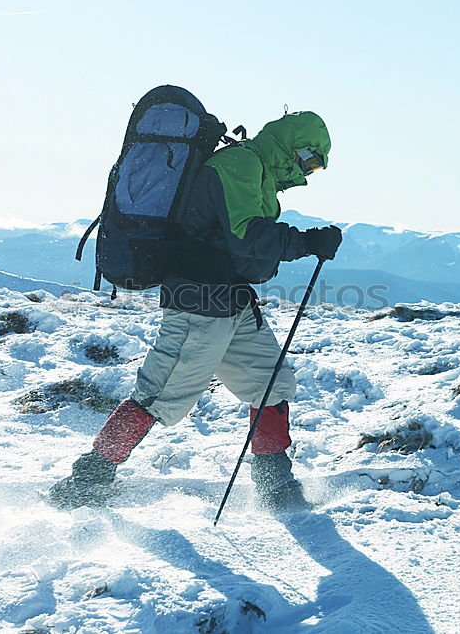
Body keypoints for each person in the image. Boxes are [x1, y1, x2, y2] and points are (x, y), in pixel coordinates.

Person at [49, 110, 342, 512]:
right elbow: (246, 235)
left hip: (232, 301)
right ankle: (86, 482)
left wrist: (302, 243)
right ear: (292, 147)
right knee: (160, 395)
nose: (307, 173)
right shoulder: (240, 164)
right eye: (309, 161)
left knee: (270, 383)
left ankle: (275, 487)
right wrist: (307, 242)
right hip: (198, 303)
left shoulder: (259, 174)